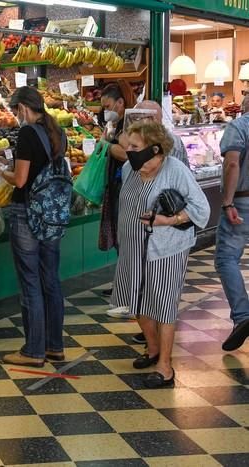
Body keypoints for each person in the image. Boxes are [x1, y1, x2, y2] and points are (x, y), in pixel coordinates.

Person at [113, 121, 209, 388]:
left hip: (166, 250)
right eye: (128, 145)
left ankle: (165, 367)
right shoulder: (129, 169)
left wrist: (169, 220)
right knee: (138, 300)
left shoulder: (175, 170)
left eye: (135, 146)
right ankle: (152, 348)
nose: (128, 151)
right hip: (133, 247)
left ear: (155, 149)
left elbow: (201, 208)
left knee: (164, 305)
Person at [0, 87, 67, 367]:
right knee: (50, 278)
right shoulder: (57, 132)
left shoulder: (27, 132)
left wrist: (1, 170)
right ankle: (55, 347)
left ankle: (33, 351)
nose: (16, 117)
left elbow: (21, 179)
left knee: (30, 282)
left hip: (28, 212)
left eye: (16, 111)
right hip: (52, 214)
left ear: (23, 107)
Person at [107, 101, 192, 324]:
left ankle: (160, 347)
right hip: (142, 233)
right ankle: (151, 341)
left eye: (146, 118)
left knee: (161, 293)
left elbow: (192, 199)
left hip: (168, 234)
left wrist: (174, 218)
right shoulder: (134, 159)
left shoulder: (170, 149)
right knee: (142, 287)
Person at [215, 112, 249, 351]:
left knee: (226, 258)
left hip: (242, 201)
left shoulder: (239, 126)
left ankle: (243, 315)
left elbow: (232, 162)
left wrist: (228, 202)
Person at [98, 81, 135, 297]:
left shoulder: (128, 126)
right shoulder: (116, 124)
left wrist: (106, 145)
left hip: (124, 186)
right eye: (103, 107)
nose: (106, 110)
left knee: (123, 237)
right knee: (119, 237)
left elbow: (126, 154)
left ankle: (127, 288)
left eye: (108, 105)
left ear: (120, 103)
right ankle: (123, 284)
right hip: (115, 186)